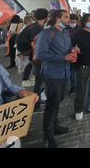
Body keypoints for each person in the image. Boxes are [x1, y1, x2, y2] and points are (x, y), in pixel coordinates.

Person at [36, 10, 77, 148]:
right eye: (66, 17)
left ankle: (54, 126)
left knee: (58, 100)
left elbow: (68, 49)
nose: (69, 19)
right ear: (58, 18)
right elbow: (40, 54)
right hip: (52, 74)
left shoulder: (65, 32)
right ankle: (48, 136)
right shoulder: (47, 33)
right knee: (52, 104)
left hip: (65, 73)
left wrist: (73, 51)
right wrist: (62, 58)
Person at [72, 14, 90, 121]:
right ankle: (78, 110)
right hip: (83, 65)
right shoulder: (78, 34)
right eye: (89, 20)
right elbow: (72, 47)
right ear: (84, 22)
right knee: (81, 88)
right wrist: (73, 49)